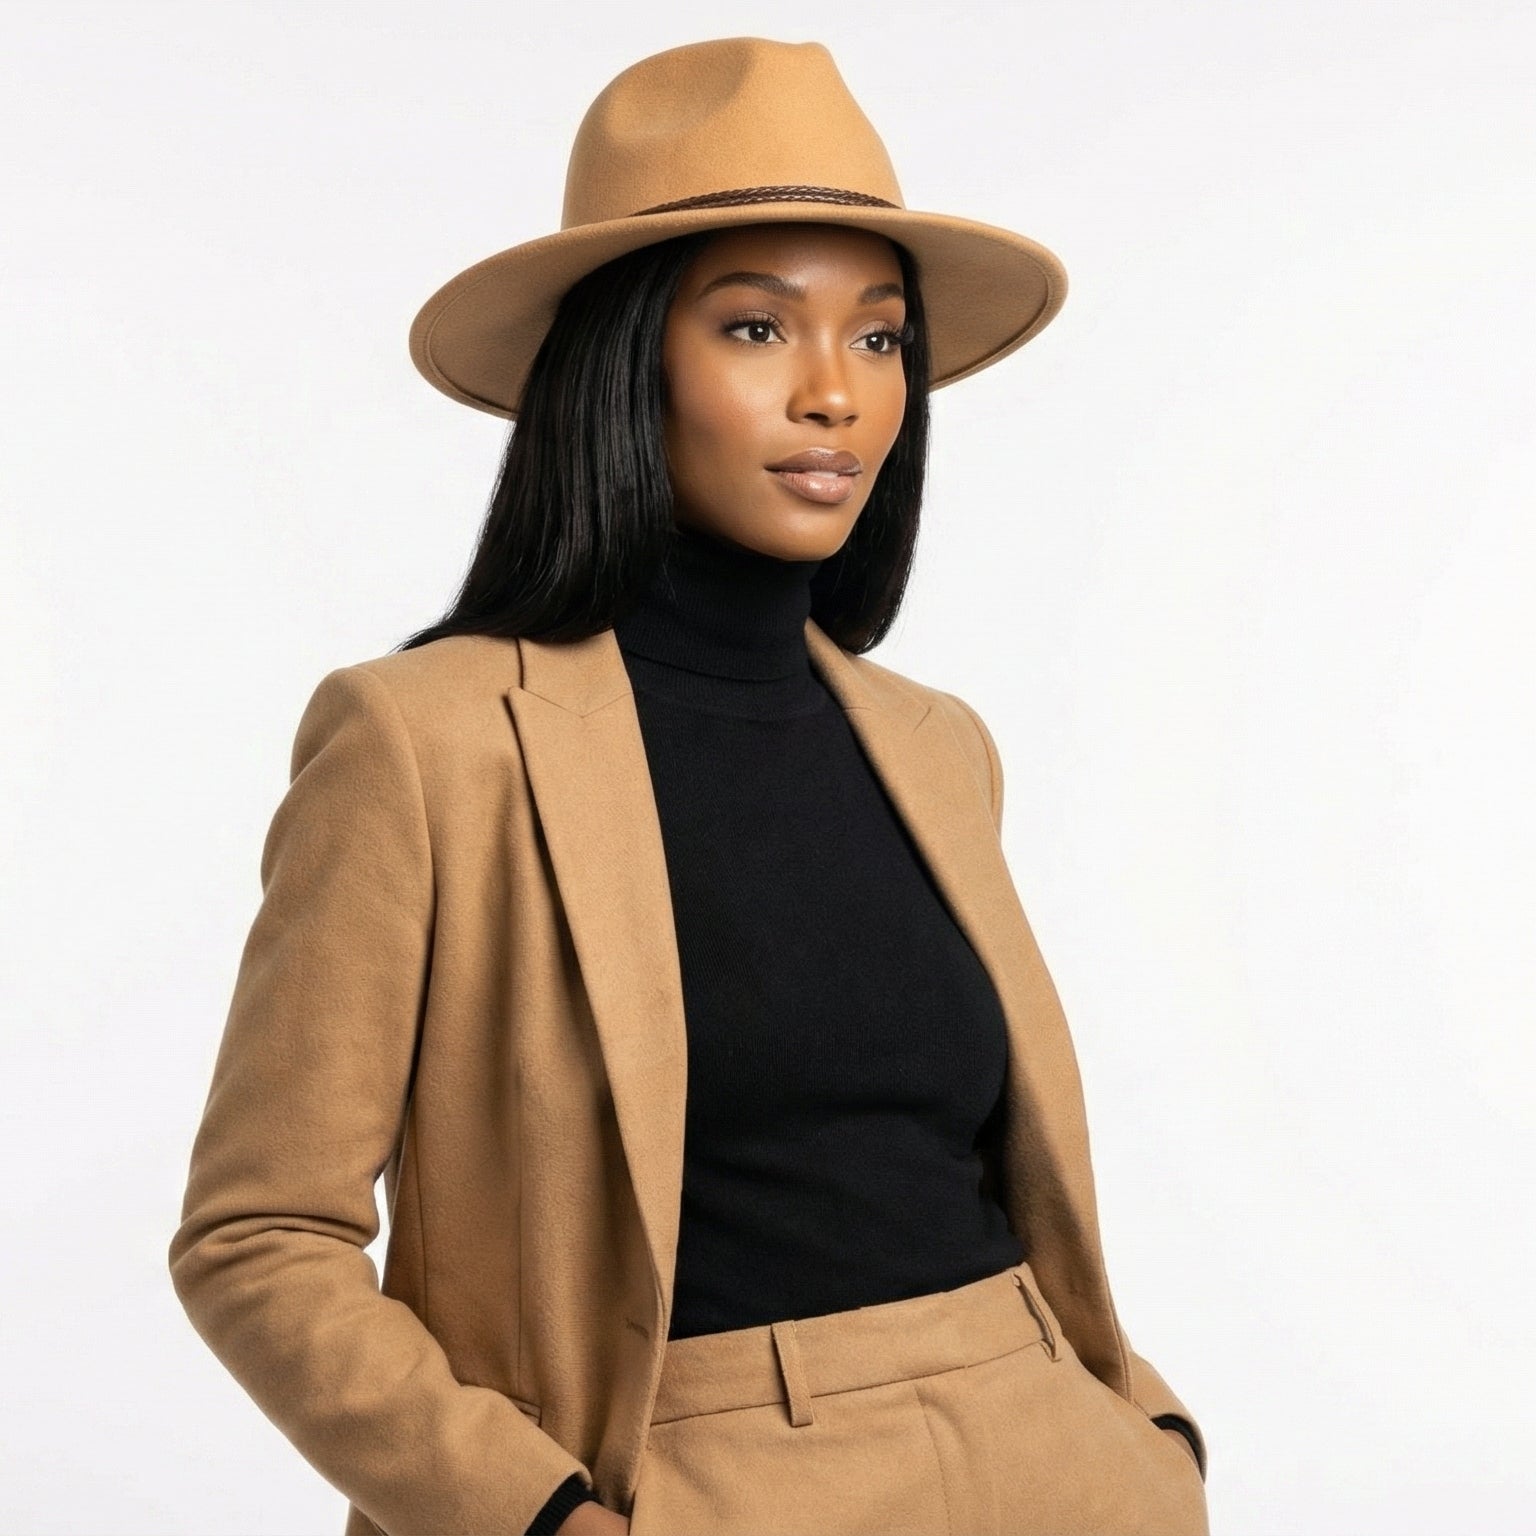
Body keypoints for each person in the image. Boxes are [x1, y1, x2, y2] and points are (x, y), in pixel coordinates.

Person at [168, 36, 1211, 1536]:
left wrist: (1147, 1434)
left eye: (877, 338)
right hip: (693, 1471)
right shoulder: (425, 742)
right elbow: (259, 1236)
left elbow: (973, 1172)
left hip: (1051, 1454)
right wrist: (536, 1518)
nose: (833, 394)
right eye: (753, 327)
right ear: (624, 358)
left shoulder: (937, 745)